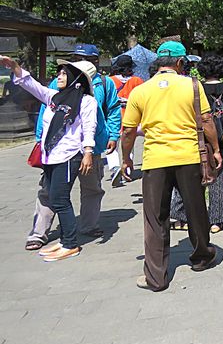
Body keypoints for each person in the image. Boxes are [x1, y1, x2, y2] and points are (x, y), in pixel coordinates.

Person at [120, 41, 222, 292]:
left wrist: (126, 158)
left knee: (155, 217)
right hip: (189, 157)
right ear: (179, 62)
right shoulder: (192, 86)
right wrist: (216, 149)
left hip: (155, 160)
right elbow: (207, 120)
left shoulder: (141, 91)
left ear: (158, 63)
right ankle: (202, 256)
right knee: (196, 208)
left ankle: (156, 277)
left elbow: (128, 131)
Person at [24, 43, 121, 250]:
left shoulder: (104, 83)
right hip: (59, 148)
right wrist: (41, 138)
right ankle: (39, 232)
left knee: (92, 187)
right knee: (48, 190)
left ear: (95, 61)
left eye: (84, 58)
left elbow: (112, 110)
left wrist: (113, 134)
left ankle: (89, 225)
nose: (78, 62)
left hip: (91, 147)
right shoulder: (58, 82)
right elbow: (46, 110)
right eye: (75, 58)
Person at [1, 55, 97, 261]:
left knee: (61, 200)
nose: (59, 76)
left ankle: (71, 243)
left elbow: (90, 127)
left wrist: (88, 151)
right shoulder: (54, 97)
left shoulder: (87, 101)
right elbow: (30, 85)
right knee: (53, 198)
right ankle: (64, 241)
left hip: (69, 156)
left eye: (64, 73)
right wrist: (15, 66)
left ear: (75, 78)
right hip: (50, 156)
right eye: (60, 73)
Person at [170, 54, 223, 233]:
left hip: (197, 139)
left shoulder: (194, 88)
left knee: (190, 179)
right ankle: (217, 220)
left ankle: (181, 217)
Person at [109, 55, 144, 186]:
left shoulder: (110, 80)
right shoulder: (137, 80)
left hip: (114, 116)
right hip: (132, 116)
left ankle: (114, 167)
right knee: (129, 143)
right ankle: (127, 171)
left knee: (112, 143)